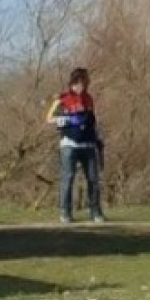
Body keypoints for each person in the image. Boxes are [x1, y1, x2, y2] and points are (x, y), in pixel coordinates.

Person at [45, 67, 105, 224]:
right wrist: (67, 120)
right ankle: (65, 212)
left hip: (88, 143)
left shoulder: (89, 99)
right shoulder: (62, 99)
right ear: (72, 84)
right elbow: (49, 118)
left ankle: (95, 211)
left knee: (93, 178)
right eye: (77, 84)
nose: (80, 87)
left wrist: (97, 137)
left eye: (83, 84)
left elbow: (92, 120)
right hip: (69, 144)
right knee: (68, 177)